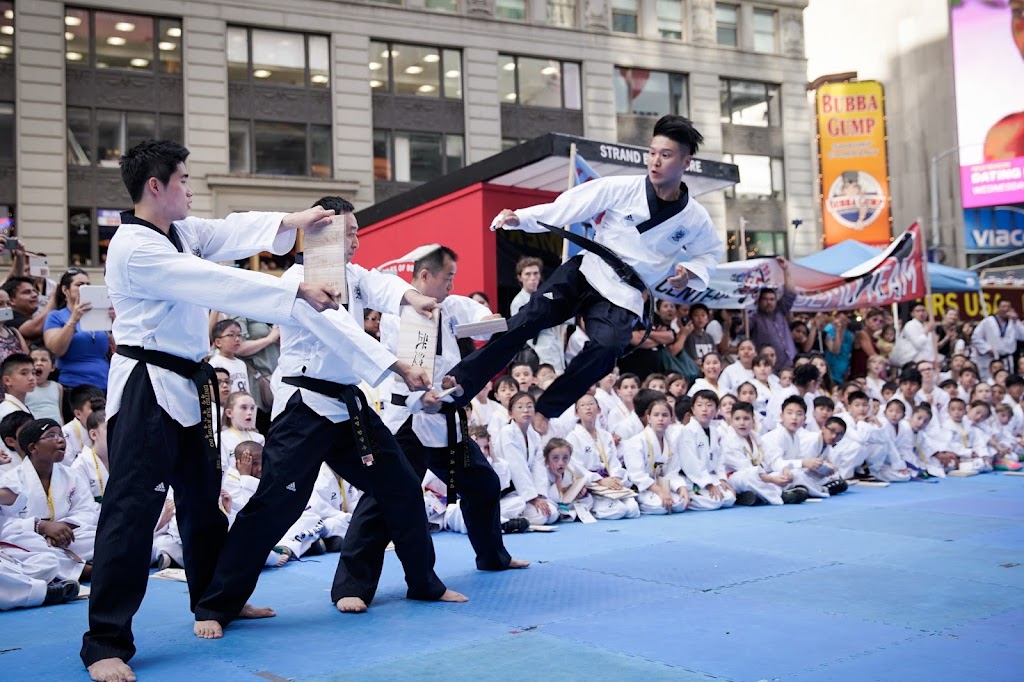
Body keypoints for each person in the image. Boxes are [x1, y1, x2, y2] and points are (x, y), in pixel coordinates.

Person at [80, 138, 363, 682]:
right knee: (133, 511)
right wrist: (295, 290)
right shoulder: (135, 247)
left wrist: (294, 219)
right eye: (183, 179)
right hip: (146, 385)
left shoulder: (181, 232)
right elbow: (213, 280)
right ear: (155, 186)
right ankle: (105, 641)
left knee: (203, 502)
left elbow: (232, 230)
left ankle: (216, 601)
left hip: (190, 382)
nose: (189, 188)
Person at [190, 198, 467, 639]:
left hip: (347, 406)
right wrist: (399, 367)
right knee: (276, 506)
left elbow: (381, 287)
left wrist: (413, 296)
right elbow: (341, 331)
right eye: (347, 232)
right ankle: (219, 603)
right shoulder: (298, 280)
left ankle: (419, 583)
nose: (355, 240)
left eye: (357, 232)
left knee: (398, 487)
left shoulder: (354, 276)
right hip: (305, 407)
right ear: (319, 234)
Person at [449, 115, 723, 419]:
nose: (655, 162)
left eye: (666, 155)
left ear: (686, 162)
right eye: (652, 152)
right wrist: (523, 218)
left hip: (624, 295)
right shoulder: (623, 188)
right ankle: (461, 381)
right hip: (586, 272)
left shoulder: (695, 217)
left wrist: (691, 272)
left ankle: (546, 409)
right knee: (527, 319)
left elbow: (709, 253)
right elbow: (570, 205)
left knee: (608, 349)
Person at [0, 418, 98, 582]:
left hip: (66, 537)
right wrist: (42, 527)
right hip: (33, 539)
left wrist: (62, 529)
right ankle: (84, 570)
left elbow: (86, 510)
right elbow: (6, 525)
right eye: (51, 435)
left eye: (61, 435)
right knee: (30, 546)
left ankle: (69, 567)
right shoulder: (11, 480)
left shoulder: (71, 475)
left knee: (99, 535)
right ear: (33, 447)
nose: (60, 439)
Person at [565, 393, 639, 520]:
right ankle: (591, 507)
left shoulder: (605, 435)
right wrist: (599, 480)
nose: (587, 408)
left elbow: (613, 460)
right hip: (591, 484)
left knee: (633, 509)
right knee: (619, 511)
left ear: (599, 410)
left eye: (591, 404)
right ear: (577, 413)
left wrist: (615, 477)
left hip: (609, 480)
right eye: (583, 405)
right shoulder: (573, 437)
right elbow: (576, 467)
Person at [42, 269, 111, 396]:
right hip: (74, 386)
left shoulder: (99, 315)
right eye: (79, 285)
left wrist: (115, 322)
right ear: (65, 290)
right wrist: (73, 319)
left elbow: (116, 349)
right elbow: (56, 350)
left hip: (104, 383)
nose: (84, 287)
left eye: (87, 284)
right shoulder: (56, 316)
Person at [671, 389, 739, 509]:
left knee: (729, 498)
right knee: (715, 502)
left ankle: (700, 495)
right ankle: (689, 497)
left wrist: (722, 479)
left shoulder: (715, 431)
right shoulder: (687, 431)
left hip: (708, 475)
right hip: (691, 478)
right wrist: (708, 485)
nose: (704, 409)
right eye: (699, 405)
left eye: (709, 405)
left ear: (717, 410)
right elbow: (690, 463)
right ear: (693, 410)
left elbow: (719, 460)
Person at [622, 397, 688, 514]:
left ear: (671, 418)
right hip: (641, 487)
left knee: (680, 503)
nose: (660, 419)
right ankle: (638, 502)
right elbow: (637, 475)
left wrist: (681, 488)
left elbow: (671, 472)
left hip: (660, 484)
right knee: (662, 507)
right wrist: (660, 492)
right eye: (656, 415)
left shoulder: (670, 442)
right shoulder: (636, 442)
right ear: (649, 418)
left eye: (665, 415)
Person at [510, 256, 565, 373]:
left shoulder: (546, 296)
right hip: (538, 353)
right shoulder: (519, 302)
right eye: (528, 274)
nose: (533, 278)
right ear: (520, 277)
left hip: (555, 350)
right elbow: (521, 332)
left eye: (536, 273)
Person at [748, 260, 796, 372]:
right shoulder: (754, 318)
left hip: (790, 365)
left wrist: (786, 269)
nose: (769, 302)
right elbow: (741, 329)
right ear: (759, 301)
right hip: (770, 369)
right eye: (765, 299)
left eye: (772, 299)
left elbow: (790, 293)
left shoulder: (780, 311)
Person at [971, 300, 1024, 381]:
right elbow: (975, 337)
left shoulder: (1013, 322)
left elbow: (1022, 336)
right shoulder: (988, 321)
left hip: (1007, 359)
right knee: (990, 381)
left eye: (1008, 307)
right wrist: (987, 349)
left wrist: (1016, 321)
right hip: (991, 358)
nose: (1006, 309)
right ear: (998, 308)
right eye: (1003, 306)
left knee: (1007, 381)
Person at [2, 276, 57, 347]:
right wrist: (54, 297)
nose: (35, 295)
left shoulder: (33, 317)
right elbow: (36, 328)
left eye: (34, 291)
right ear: (11, 300)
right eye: (27, 292)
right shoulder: (7, 318)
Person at [218, 391, 264, 473]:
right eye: (244, 408)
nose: (250, 412)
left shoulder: (259, 438)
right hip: (232, 484)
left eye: (252, 408)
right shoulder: (221, 438)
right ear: (229, 413)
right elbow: (222, 469)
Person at [70, 409, 109, 503]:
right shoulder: (80, 465)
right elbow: (82, 507)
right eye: (109, 428)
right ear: (94, 434)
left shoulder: (124, 459)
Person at [61, 385, 104, 466]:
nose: (99, 412)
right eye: (94, 409)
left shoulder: (107, 428)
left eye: (101, 407)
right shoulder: (65, 433)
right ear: (78, 414)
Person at [208, 319, 250, 395]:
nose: (237, 339)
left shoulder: (241, 363)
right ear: (218, 342)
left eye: (239, 335)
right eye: (231, 335)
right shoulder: (215, 363)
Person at [25, 347, 63, 423]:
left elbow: (60, 414)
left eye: (44, 360)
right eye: (34, 360)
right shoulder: (25, 388)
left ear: (52, 367)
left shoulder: (57, 387)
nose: (39, 363)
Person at [0, 353, 35, 420]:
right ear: (7, 380)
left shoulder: (25, 408)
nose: (31, 378)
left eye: (33, 373)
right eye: (24, 373)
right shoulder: (6, 412)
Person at [0, 287, 28, 363]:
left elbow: (27, 358)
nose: (6, 307)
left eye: (8, 303)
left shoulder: (14, 332)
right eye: (0, 304)